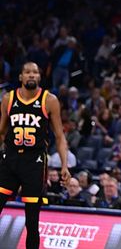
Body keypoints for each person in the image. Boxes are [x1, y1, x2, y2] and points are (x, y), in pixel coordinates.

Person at [0, 62, 70, 249]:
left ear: (39, 77)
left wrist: (64, 165)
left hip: (34, 162)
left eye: (35, 73)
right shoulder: (8, 98)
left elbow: (59, 136)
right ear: (21, 77)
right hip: (10, 159)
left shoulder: (50, 100)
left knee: (32, 221)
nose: (31, 75)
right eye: (27, 72)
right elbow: (1, 132)